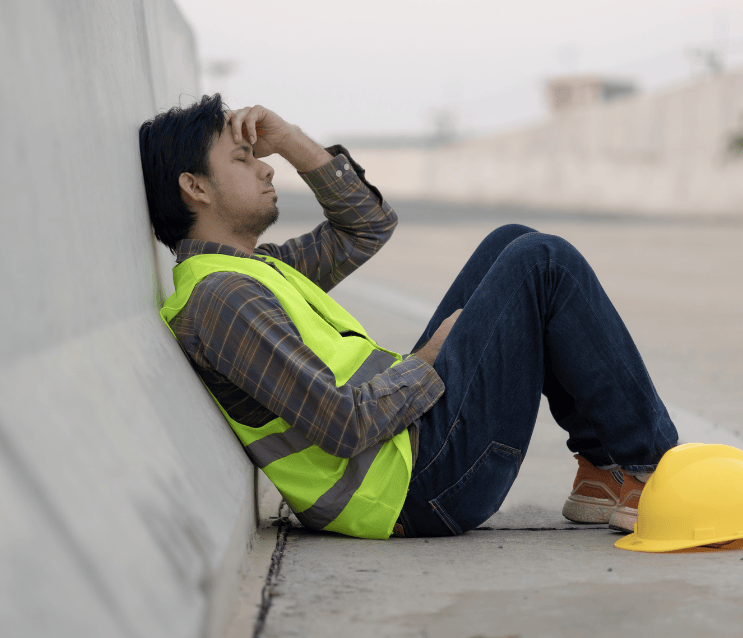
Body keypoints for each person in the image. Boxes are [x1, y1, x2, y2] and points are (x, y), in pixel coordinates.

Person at [140, 94, 680, 539]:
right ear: (195, 186)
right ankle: (653, 473)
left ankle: (604, 473)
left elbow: (366, 226)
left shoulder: (256, 271)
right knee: (543, 261)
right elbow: (342, 424)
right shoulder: (221, 301)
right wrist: (428, 359)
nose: (264, 166)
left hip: (411, 450)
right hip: (414, 486)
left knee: (510, 243)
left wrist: (292, 141)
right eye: (243, 160)